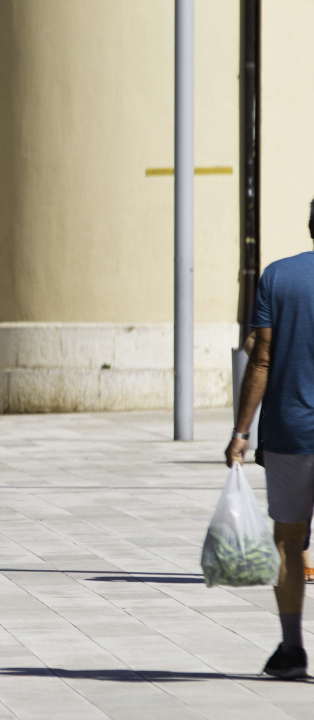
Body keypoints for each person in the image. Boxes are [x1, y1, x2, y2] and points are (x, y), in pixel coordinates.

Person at [227, 199, 314, 679]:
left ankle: (292, 649)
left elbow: (260, 357)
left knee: (289, 540)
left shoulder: (278, 277)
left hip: (289, 434)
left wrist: (240, 432)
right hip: (291, 433)